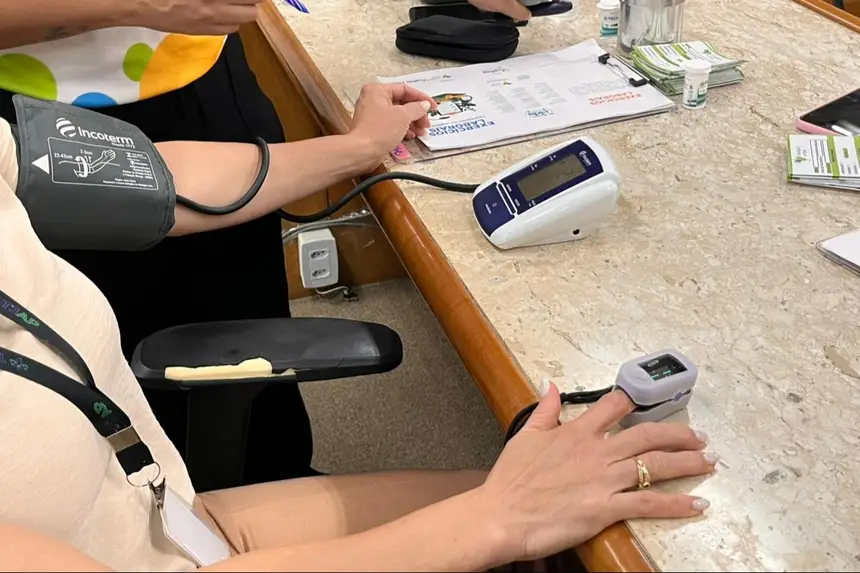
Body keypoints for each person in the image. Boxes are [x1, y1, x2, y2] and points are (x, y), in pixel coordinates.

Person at [0, 102, 716, 570]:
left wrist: (356, 147)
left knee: (594, 523)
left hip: (175, 524)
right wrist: (500, 517)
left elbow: (152, 176)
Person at [0, 0, 535, 487]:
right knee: (110, 377)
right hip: (42, 118)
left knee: (243, 359)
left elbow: (166, 185)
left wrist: (357, 148)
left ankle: (265, 477)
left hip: (194, 86)